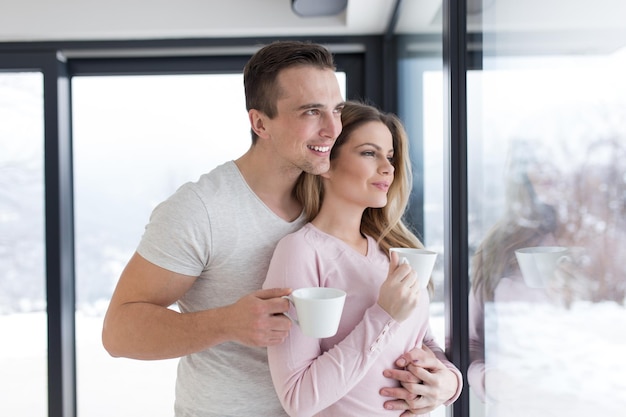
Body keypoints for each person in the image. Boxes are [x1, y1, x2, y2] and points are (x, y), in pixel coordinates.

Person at [101, 40, 346, 416]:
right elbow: (118, 332)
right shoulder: (200, 209)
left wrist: (438, 379)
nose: (332, 128)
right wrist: (226, 323)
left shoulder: (334, 194)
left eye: (336, 110)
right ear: (260, 123)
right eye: (312, 112)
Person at [263, 101, 463, 417]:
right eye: (370, 153)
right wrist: (383, 314)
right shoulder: (301, 252)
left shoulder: (395, 252)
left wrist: (449, 384)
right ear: (326, 162)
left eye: (390, 157)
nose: (388, 167)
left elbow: (422, 342)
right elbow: (298, 398)